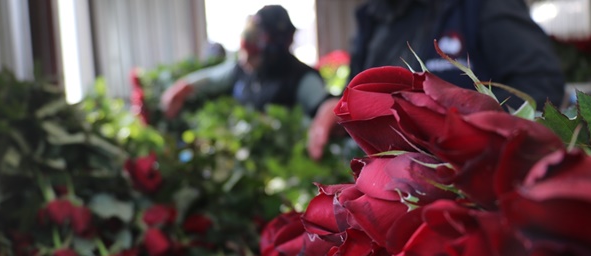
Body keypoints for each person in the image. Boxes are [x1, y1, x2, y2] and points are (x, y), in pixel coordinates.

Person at [307, 0, 567, 160]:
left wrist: (461, 137)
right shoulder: (373, 18)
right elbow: (360, 91)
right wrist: (337, 109)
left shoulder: (482, 6)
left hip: (473, 184)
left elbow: (541, 85)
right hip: (398, 187)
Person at [160, 5, 331, 120]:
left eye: (253, 55)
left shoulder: (301, 77)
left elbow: (325, 109)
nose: (246, 61)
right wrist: (180, 88)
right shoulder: (242, 69)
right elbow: (211, 79)